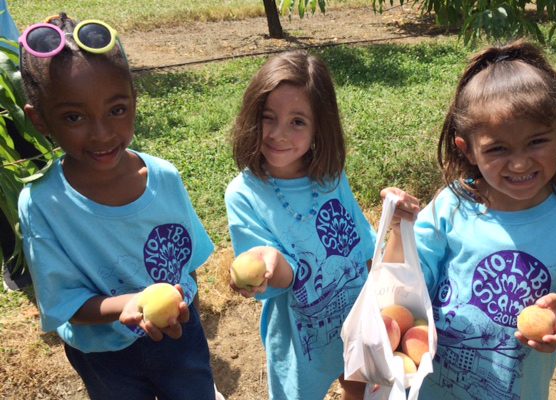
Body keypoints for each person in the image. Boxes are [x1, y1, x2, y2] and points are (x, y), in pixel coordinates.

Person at [382, 40, 556, 399]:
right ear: (469, 149)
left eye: (536, 142)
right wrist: (399, 227)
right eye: (498, 149)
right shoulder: (453, 206)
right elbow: (405, 285)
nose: (520, 163)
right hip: (432, 390)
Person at [18, 14, 217, 399]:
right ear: (39, 119)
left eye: (117, 109)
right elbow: (65, 302)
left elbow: (187, 262)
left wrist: (176, 307)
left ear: (134, 100)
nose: (102, 132)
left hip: (180, 335)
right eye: (74, 117)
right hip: (104, 353)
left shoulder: (163, 177)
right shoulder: (43, 204)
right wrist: (129, 304)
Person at [225, 50, 376, 400]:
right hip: (301, 337)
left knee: (361, 386)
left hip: (355, 316)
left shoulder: (330, 176)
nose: (279, 134)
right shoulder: (244, 194)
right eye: (268, 117)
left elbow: (361, 241)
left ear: (319, 127)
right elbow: (274, 276)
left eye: (297, 121)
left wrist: (378, 296)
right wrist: (271, 267)